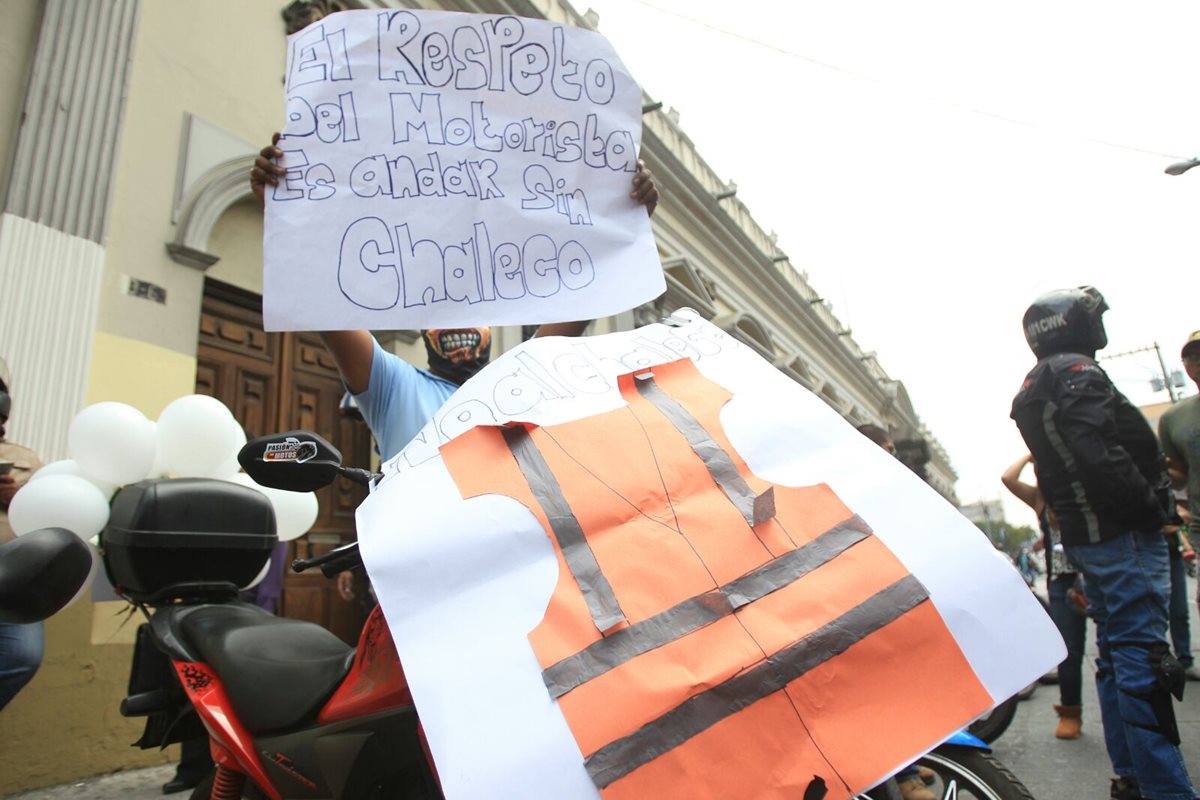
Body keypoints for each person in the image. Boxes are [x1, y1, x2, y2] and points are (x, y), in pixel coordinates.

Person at [1011, 286, 1196, 800]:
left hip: (1093, 540)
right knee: (1144, 666)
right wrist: (1154, 511)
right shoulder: (1077, 372)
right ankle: (1167, 789)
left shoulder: (1038, 381)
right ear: (1075, 324)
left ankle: (1134, 777)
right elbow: (1099, 451)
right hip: (1121, 537)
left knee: (1117, 659)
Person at [856, 423, 935, 800]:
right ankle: (905, 776)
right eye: (887, 448)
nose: (894, 454)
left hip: (892, 594)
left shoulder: (886, 486)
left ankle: (911, 760)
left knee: (905, 679)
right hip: (868, 598)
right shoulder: (855, 486)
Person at [1001, 453, 1087, 739]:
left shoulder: (1082, 488)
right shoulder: (1041, 499)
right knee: (1069, 652)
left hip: (1093, 577)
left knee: (1113, 650)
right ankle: (1071, 710)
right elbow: (1008, 478)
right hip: (1061, 584)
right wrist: (1030, 454)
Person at [0, 358, 46, 712]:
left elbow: (46, 522)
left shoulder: (25, 460)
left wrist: (16, 499)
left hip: (11, 582)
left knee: (22, 654)